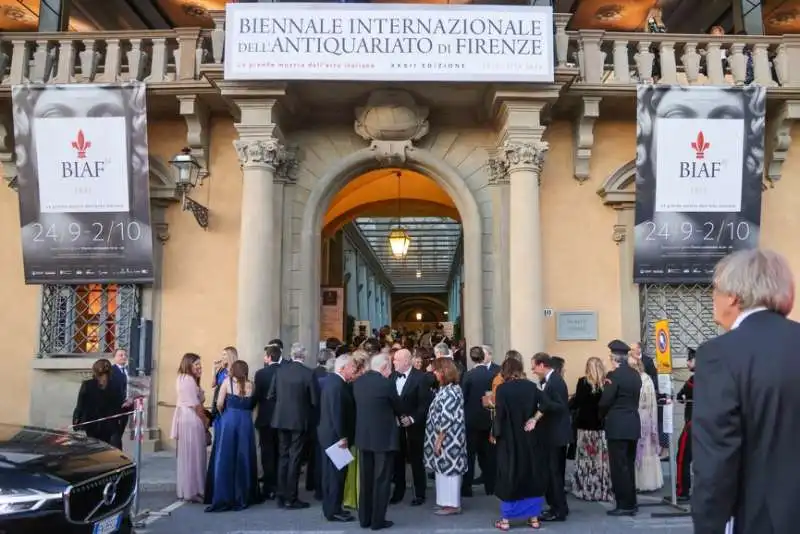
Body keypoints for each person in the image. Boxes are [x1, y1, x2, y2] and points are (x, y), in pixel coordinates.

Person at [693, 249, 800, 534]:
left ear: (733, 296)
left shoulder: (719, 355)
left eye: (713, 290)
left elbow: (715, 459)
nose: (711, 299)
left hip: (760, 519)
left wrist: (708, 526)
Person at [493, 357, 547, 531]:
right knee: (531, 472)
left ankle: (506, 520)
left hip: (510, 439)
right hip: (529, 437)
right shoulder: (531, 386)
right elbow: (547, 403)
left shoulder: (502, 389)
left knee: (509, 473)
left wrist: (495, 433)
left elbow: (500, 416)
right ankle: (533, 518)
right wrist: (534, 419)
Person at [352, 353, 403, 531]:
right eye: (390, 368)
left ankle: (364, 518)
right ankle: (377, 520)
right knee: (381, 480)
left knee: (365, 480)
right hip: (384, 439)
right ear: (384, 367)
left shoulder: (357, 383)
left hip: (364, 438)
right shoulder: (386, 384)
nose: (391, 371)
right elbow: (398, 407)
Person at [268, 343, 318, 509]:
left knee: (283, 456)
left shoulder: (280, 371)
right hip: (299, 420)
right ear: (303, 356)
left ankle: (281, 495)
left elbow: (271, 395)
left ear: (291, 354)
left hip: (281, 419)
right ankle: (291, 497)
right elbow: (314, 401)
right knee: (295, 458)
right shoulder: (308, 373)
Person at [205, 360, 260, 512]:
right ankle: (243, 494)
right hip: (245, 422)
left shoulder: (226, 382)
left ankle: (224, 494)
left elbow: (219, 403)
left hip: (229, 421)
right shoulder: (252, 385)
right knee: (244, 456)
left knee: (226, 457)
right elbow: (253, 405)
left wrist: (225, 413)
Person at [599, 340, 642, 517]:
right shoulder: (635, 375)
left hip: (617, 425)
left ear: (613, 358)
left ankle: (624, 504)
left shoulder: (614, 376)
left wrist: (602, 416)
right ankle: (631, 502)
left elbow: (605, 401)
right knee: (629, 466)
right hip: (632, 422)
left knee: (618, 467)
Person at [531, 353, 572, 522]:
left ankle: (558, 510)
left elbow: (561, 406)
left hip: (556, 434)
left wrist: (542, 403)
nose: (533, 370)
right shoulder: (549, 380)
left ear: (542, 365)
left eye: (534, 367)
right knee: (554, 472)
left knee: (554, 473)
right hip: (553, 433)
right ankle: (559, 506)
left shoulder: (555, 381)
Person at [424, 358, 467, 515]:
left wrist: (439, 440)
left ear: (444, 372)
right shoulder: (447, 388)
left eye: (436, 370)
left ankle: (452, 505)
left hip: (449, 439)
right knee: (442, 470)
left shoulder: (451, 391)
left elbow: (447, 418)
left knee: (449, 471)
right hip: (446, 437)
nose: (434, 373)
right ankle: (445, 502)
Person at [390, 348, 433, 506]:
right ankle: (398, 491)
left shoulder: (421, 378)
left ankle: (419, 493)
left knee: (416, 460)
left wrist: (412, 418)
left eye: (397, 360)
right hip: (395, 426)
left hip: (415, 427)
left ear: (407, 361)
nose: (393, 362)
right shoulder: (392, 376)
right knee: (397, 459)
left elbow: (424, 404)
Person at [318, 353, 356, 523]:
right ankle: (333, 510)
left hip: (332, 436)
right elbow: (337, 413)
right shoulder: (336, 385)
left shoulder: (335, 382)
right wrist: (342, 436)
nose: (354, 370)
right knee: (335, 476)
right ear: (342, 368)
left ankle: (334, 508)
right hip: (336, 438)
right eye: (352, 367)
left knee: (334, 474)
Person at [569, 357, 613, 502]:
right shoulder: (606, 383)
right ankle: (601, 488)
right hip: (600, 427)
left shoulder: (583, 382)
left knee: (586, 459)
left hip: (585, 426)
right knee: (600, 460)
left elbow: (578, 403)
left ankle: (586, 489)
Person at [461, 345, 500, 497]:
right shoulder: (492, 375)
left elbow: (463, 397)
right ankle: (491, 486)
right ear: (484, 357)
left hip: (471, 420)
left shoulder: (468, 375)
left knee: (469, 455)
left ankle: (467, 488)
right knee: (489, 455)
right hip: (488, 418)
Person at [172, 353, 209, 503]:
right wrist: (205, 421)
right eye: (196, 364)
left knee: (188, 455)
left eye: (200, 364)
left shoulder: (183, 378)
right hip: (191, 418)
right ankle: (194, 490)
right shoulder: (188, 380)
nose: (199, 367)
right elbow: (196, 406)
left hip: (185, 417)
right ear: (189, 365)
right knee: (195, 455)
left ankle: (187, 489)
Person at [629, 355, 663, 492]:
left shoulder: (646, 379)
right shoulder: (635, 379)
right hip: (636, 416)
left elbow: (651, 404)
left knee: (645, 450)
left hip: (644, 418)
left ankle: (646, 482)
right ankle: (637, 481)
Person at [73, 358, 125, 445]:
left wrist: (76, 420)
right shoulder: (116, 385)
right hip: (110, 425)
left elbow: (80, 406)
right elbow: (119, 404)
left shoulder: (87, 385)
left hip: (92, 424)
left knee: (94, 450)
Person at [253, 344, 282, 499]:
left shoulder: (261, 374)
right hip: (281, 419)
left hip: (265, 418)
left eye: (265, 356)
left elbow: (256, 396)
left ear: (269, 357)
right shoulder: (285, 371)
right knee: (280, 452)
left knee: (267, 453)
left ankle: (269, 487)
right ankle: (279, 485)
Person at [342, 350, 370, 511]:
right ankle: (360, 497)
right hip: (362, 429)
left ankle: (349, 497)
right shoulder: (366, 384)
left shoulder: (348, 385)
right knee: (361, 467)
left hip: (351, 429)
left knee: (350, 466)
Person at [675, 347, 695, 503]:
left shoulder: (693, 380)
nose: (687, 362)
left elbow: (680, 396)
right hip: (710, 425)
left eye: (690, 359)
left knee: (682, 457)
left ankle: (682, 491)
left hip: (693, 424)